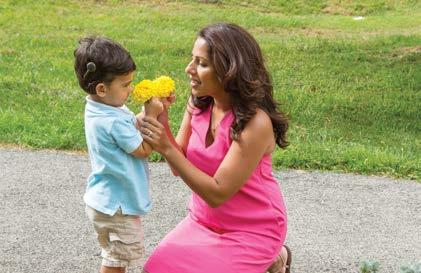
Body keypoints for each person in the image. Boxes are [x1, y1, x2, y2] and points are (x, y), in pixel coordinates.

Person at [139, 23, 291, 273]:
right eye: (192, 60)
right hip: (203, 221)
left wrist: (165, 147)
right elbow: (180, 164)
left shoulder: (255, 123)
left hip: (252, 229)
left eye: (201, 63)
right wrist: (161, 120)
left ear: (229, 70)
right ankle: (274, 261)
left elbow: (217, 193)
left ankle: (274, 255)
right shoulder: (199, 103)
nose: (189, 69)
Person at [74, 36, 163, 273]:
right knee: (115, 261)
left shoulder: (100, 107)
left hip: (105, 201)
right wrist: (153, 116)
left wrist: (146, 112)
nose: (131, 88)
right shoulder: (111, 121)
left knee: (115, 257)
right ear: (102, 89)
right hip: (117, 207)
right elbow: (143, 149)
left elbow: (130, 124)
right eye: (125, 85)